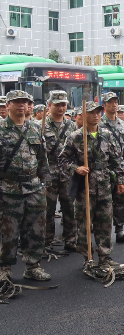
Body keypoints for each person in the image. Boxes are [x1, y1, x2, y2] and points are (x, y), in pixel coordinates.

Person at [59, 101, 124, 268]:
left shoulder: (107, 135)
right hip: (85, 186)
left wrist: (120, 180)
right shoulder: (76, 136)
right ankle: (87, 257)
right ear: (83, 115)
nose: (96, 115)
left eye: (98, 112)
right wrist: (76, 168)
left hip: (104, 185)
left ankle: (105, 256)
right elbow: (62, 159)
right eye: (91, 112)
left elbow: (116, 159)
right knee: (84, 222)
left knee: (104, 222)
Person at [0, 90, 52, 282]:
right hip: (7, 188)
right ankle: (4, 268)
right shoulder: (1, 129)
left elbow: (42, 158)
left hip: (34, 187)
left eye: (24, 101)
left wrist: (45, 182)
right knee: (8, 231)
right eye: (16, 102)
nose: (21, 105)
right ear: (8, 106)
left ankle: (33, 266)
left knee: (36, 229)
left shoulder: (35, 129)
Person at [99, 92, 124, 243]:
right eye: (110, 102)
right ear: (104, 105)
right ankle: (101, 233)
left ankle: (120, 230)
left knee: (120, 199)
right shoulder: (98, 124)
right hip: (104, 166)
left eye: (116, 101)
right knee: (103, 201)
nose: (114, 104)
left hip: (120, 166)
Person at [43, 91, 77, 252]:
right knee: (47, 209)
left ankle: (71, 239)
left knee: (70, 207)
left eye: (63, 104)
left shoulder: (72, 126)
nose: (61, 107)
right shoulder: (41, 125)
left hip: (67, 173)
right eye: (57, 104)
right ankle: (46, 240)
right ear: (49, 105)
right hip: (48, 173)